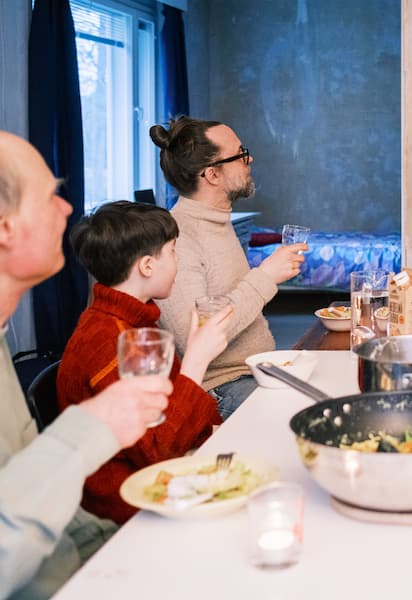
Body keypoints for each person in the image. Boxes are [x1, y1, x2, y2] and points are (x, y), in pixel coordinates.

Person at [0, 131, 172, 599]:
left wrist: (121, 548)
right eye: (50, 195)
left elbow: (39, 496)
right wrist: (90, 427)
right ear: (4, 228)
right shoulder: (102, 337)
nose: (67, 210)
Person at [56, 201, 232, 524]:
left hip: (160, 474)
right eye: (174, 251)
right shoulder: (109, 341)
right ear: (148, 266)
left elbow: (180, 411)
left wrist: (216, 433)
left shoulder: (136, 321)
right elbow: (156, 450)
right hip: (126, 504)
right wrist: (196, 359)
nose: (178, 262)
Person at [149, 117, 306, 417]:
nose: (251, 159)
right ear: (212, 175)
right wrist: (265, 278)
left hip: (256, 369)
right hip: (221, 387)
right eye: (240, 153)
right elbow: (192, 339)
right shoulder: (179, 237)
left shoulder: (217, 222)